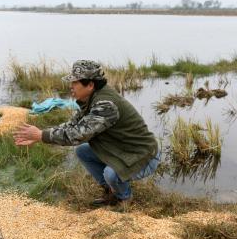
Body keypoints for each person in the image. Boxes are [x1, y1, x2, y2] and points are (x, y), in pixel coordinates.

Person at [13, 60, 160, 206]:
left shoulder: (105, 105)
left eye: (75, 83)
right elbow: (71, 126)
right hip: (121, 149)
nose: (71, 86)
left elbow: (77, 135)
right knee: (83, 151)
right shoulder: (89, 100)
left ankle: (124, 198)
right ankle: (112, 190)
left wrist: (40, 135)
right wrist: (41, 135)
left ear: (90, 85)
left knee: (111, 173)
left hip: (143, 155)